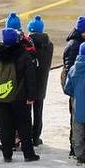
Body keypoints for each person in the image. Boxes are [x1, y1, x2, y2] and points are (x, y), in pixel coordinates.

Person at [0, 26, 40, 163]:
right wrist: (31, 96)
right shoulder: (23, 54)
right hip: (20, 97)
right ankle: (28, 154)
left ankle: (7, 154)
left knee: (5, 126)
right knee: (24, 125)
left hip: (1, 96)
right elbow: (30, 77)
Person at [26, 15, 54, 146]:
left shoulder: (26, 44)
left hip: (27, 83)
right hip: (42, 82)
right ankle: (36, 137)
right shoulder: (49, 46)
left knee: (26, 111)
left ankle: (26, 136)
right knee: (38, 111)